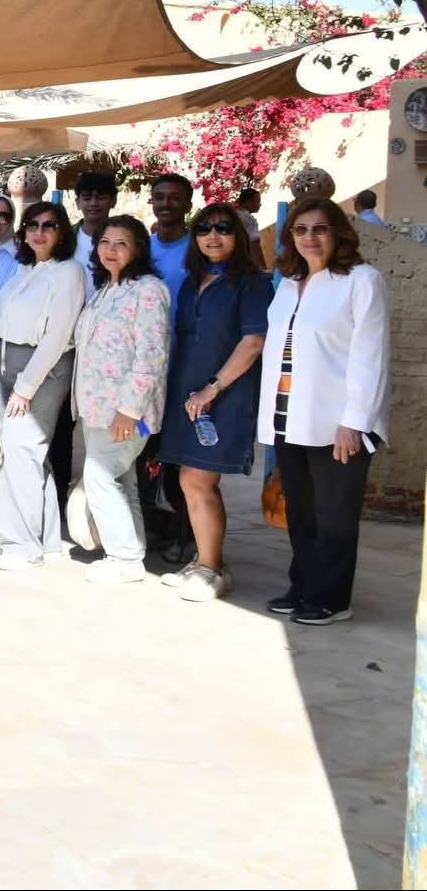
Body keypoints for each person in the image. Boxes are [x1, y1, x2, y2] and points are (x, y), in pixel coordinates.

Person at [260, 198, 390, 626]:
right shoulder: (288, 284)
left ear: (339, 234)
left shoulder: (361, 281)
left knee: (334, 515)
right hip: (289, 415)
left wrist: (355, 421)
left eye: (320, 229)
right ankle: (304, 587)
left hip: (337, 422)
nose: (310, 238)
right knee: (300, 512)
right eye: (300, 230)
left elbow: (370, 355)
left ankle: (332, 599)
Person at [158, 203, 274, 602]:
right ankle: (210, 563)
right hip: (186, 394)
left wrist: (212, 388)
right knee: (191, 480)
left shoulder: (252, 284)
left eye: (223, 228)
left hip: (224, 394)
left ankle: (210, 571)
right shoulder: (193, 281)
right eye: (204, 228)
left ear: (238, 236)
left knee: (197, 479)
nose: (213, 235)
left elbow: (254, 341)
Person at [0, 201, 88, 572]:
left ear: (62, 232)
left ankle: (21, 546)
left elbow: (57, 335)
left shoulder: (69, 271)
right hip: (3, 364)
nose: (39, 232)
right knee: (25, 454)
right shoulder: (24, 269)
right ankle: (45, 540)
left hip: (40, 370)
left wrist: (25, 387)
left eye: (49, 225)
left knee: (20, 451)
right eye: (32, 225)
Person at [70, 216, 171, 585]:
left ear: (138, 249)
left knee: (99, 476)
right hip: (96, 407)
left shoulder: (148, 290)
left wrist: (130, 409)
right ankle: (131, 550)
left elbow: (152, 353)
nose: (110, 250)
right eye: (105, 242)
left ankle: (124, 558)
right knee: (122, 480)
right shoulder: (105, 290)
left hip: (125, 410)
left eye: (121, 243)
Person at [148, 173, 196, 309]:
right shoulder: (141, 247)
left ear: (188, 206)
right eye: (159, 197)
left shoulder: (200, 248)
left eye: (175, 198)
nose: (166, 203)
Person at [71, 171, 117, 269]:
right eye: (87, 198)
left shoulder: (125, 239)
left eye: (100, 197)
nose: (93, 203)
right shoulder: (65, 237)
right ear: (78, 202)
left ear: (113, 201)